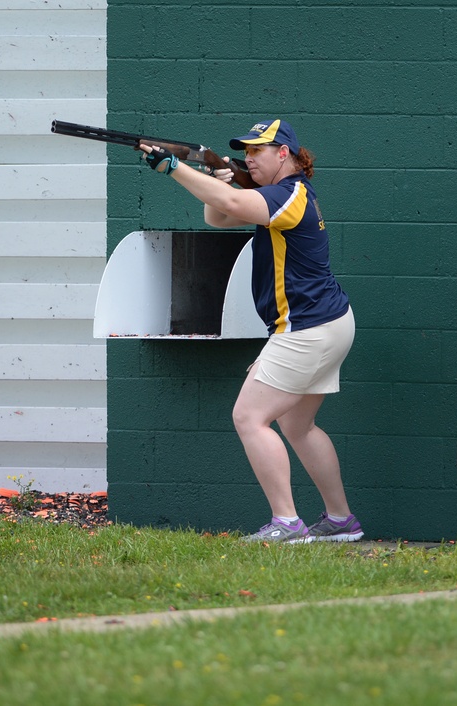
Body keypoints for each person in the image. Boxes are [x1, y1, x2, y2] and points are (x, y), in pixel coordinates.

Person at [139, 119, 362, 544]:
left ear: (285, 154)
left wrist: (173, 168)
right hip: (326, 323)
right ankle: (340, 521)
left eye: (259, 151)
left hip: (308, 327)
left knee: (249, 417)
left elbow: (233, 206)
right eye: (246, 152)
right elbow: (218, 217)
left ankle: (287, 523)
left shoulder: (287, 194)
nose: (249, 158)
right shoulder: (286, 195)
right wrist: (215, 177)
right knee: (298, 426)